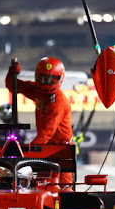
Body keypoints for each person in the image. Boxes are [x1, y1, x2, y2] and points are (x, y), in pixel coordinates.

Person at [5, 57, 73, 187]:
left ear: (60, 78)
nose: (46, 82)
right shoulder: (36, 90)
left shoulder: (59, 103)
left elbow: (46, 133)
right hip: (46, 147)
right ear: (37, 76)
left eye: (51, 79)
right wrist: (11, 73)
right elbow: (13, 86)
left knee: (64, 189)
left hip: (61, 150)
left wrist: (27, 154)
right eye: (43, 78)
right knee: (41, 183)